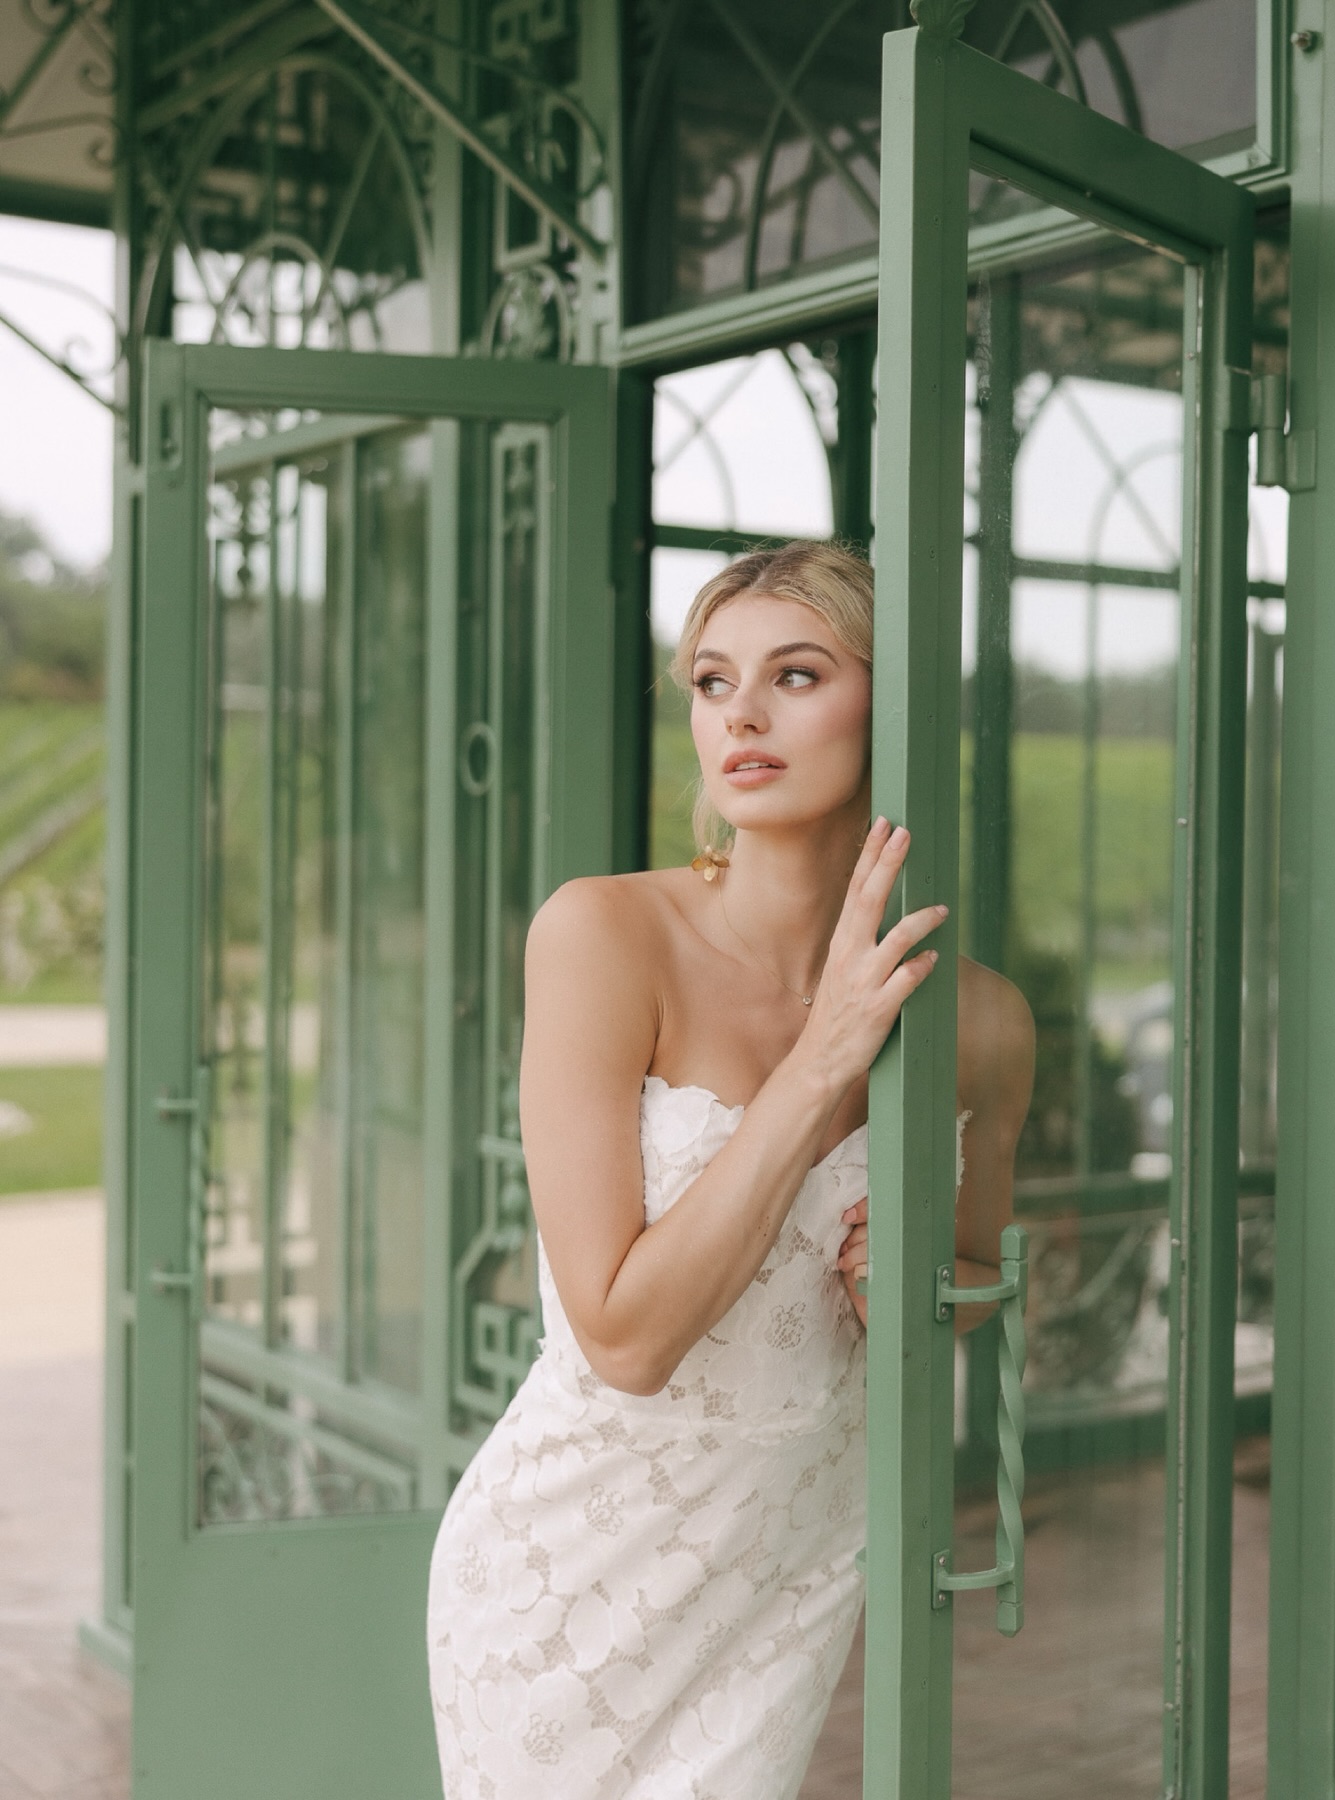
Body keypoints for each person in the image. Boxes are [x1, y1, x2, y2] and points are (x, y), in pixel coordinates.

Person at [427, 540, 1035, 1799]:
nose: (741, 715)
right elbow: (627, 1340)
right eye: (712, 682)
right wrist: (820, 1068)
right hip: (568, 1581)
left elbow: (973, 1289)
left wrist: (921, 1282)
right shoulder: (604, 936)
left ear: (895, 705)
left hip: (793, 1572)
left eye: (797, 675)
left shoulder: (983, 1020)